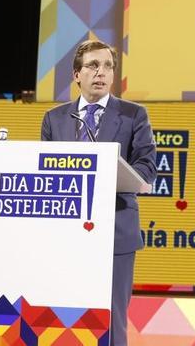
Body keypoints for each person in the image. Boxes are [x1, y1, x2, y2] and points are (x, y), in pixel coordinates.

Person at [41, 39, 156, 346]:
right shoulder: (54, 119)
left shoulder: (134, 115)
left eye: (107, 66)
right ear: (77, 74)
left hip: (115, 230)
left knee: (112, 318)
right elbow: (45, 173)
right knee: (61, 317)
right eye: (93, 65)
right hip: (66, 232)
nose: (101, 72)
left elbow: (147, 167)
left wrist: (110, 176)